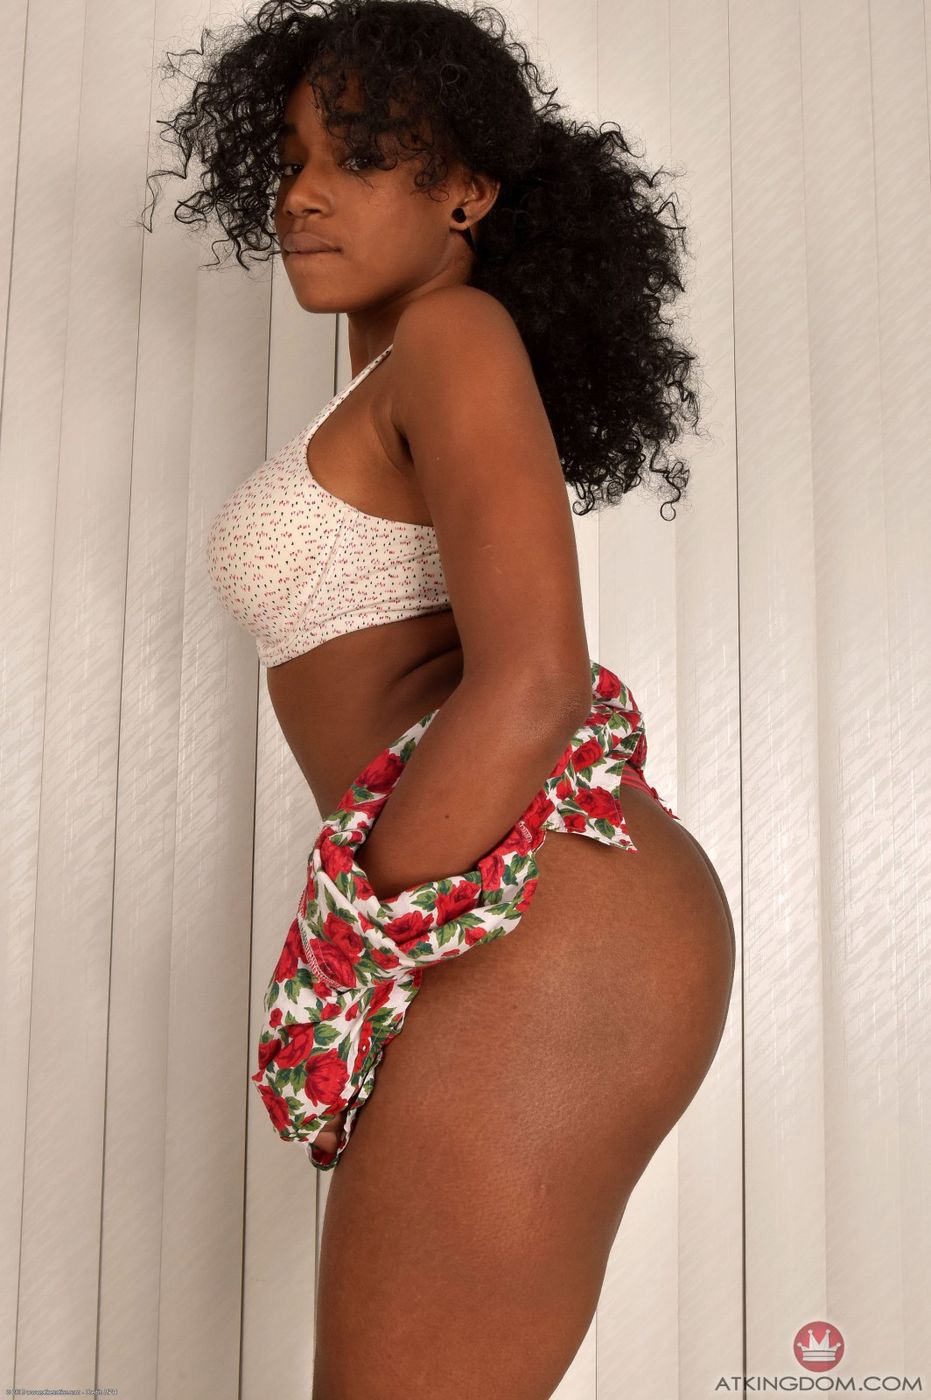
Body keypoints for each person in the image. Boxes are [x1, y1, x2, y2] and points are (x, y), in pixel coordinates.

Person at [144, 2, 736, 1394]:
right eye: (292, 159)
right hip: (498, 905)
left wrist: (353, 942)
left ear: (466, 191)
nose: (303, 193)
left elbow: (534, 682)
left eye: (357, 156)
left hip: (542, 923)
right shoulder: (397, 370)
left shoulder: (456, 332)